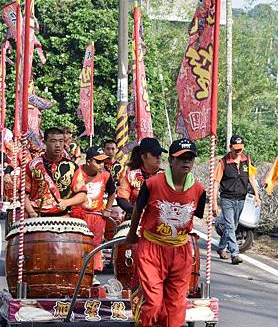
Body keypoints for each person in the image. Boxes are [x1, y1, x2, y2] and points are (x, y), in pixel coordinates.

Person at [126, 138, 206, 327]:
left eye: (190, 158)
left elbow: (197, 217)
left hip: (180, 251)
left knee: (176, 305)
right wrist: (132, 233)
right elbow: (138, 209)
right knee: (153, 302)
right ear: (170, 160)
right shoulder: (153, 184)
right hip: (152, 249)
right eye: (181, 158)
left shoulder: (199, 190)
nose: (186, 162)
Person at [212, 134, 261, 265]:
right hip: (227, 199)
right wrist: (214, 203)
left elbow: (251, 177)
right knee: (229, 225)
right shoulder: (223, 162)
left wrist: (257, 195)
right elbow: (216, 182)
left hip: (241, 199)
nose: (238, 152)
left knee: (232, 226)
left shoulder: (246, 160)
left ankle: (221, 247)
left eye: (240, 149)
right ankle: (234, 253)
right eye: (236, 149)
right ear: (230, 147)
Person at [74, 146, 116, 284]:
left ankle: (92, 274)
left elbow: (112, 192)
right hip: (80, 215)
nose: (101, 165)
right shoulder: (78, 172)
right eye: (98, 162)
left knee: (95, 244)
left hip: (98, 216)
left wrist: (108, 209)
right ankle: (77, 272)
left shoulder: (106, 175)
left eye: (103, 162)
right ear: (89, 161)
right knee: (79, 244)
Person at [24, 127, 87, 218]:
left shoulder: (72, 167)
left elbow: (82, 194)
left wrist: (66, 202)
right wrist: (31, 212)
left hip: (63, 217)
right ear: (44, 142)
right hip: (36, 216)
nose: (58, 145)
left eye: (61, 141)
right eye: (53, 141)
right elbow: (23, 194)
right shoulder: (32, 165)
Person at [117, 137, 165, 218]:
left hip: (160, 221)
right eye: (154, 154)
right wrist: (134, 211)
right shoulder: (131, 176)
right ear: (143, 157)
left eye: (159, 154)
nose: (158, 157)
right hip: (134, 218)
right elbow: (121, 198)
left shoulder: (166, 176)